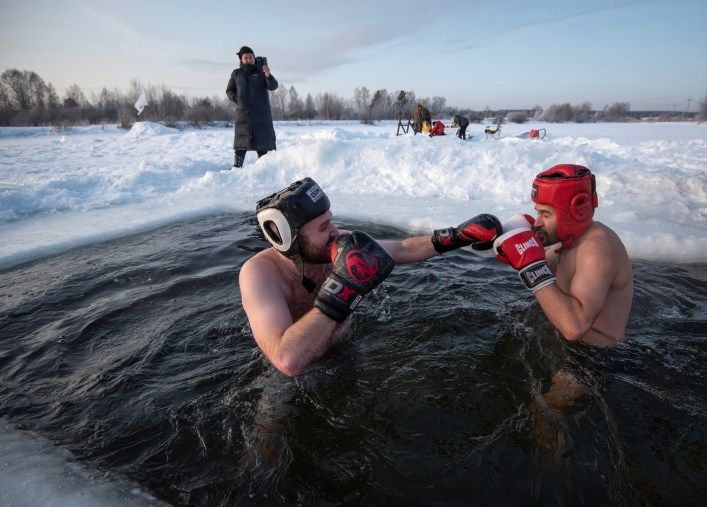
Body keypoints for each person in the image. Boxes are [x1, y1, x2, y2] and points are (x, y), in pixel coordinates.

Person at [239, 177, 502, 376]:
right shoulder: (259, 274)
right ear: (290, 240)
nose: (335, 232)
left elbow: (401, 249)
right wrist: (344, 288)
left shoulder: (338, 245)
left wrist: (456, 236)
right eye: (323, 227)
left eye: (331, 221)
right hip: (289, 376)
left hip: (346, 347)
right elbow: (287, 360)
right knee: (271, 430)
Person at [492, 164, 633, 347]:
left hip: (598, 361)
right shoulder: (568, 241)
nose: (537, 222)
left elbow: (574, 327)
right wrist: (501, 235)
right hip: (573, 347)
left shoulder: (597, 249)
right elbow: (539, 264)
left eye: (545, 214)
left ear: (573, 213)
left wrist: (530, 266)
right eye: (537, 212)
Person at [226, 45, 278, 169]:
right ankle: (237, 167)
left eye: (251, 57)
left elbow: (273, 86)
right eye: (246, 57)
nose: (248, 59)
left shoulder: (261, 72)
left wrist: (268, 75)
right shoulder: (236, 73)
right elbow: (229, 91)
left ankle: (263, 168)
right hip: (244, 114)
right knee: (241, 142)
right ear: (241, 59)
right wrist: (238, 99)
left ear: (254, 58)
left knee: (263, 143)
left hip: (261, 114)